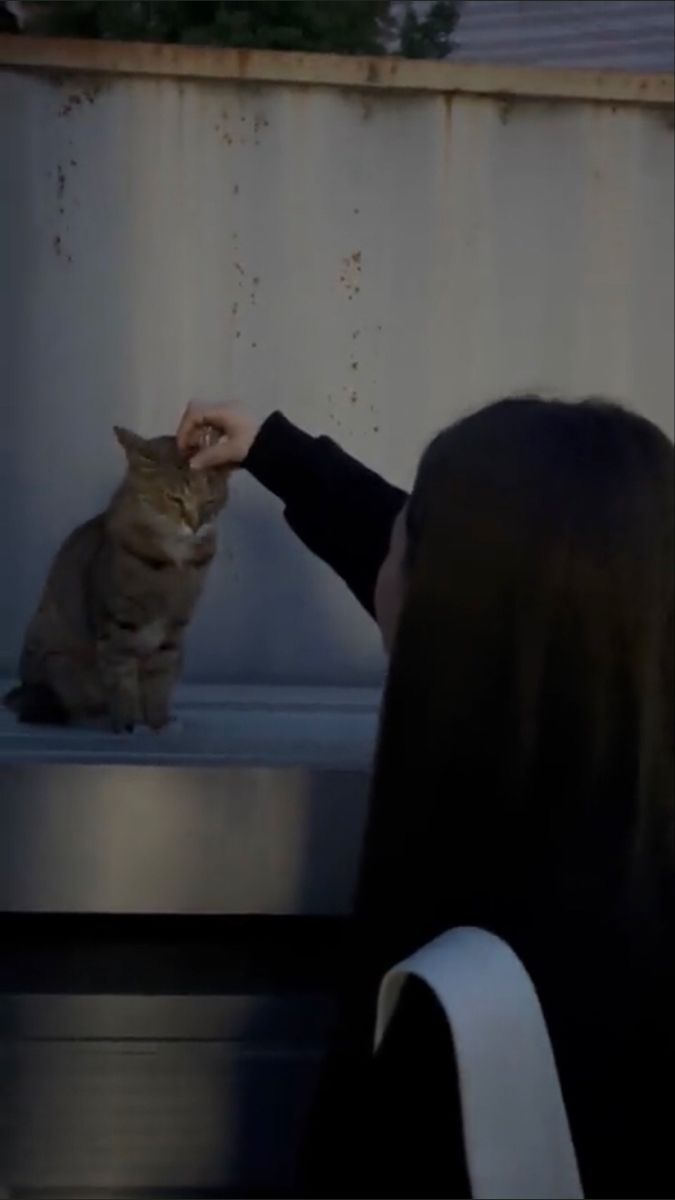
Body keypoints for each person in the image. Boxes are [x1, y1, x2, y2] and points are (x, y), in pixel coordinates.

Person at [176, 397, 674, 1199]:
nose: (391, 559)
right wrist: (279, 453)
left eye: (414, 543)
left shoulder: (466, 1009)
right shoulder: (629, 840)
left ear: (451, 614)